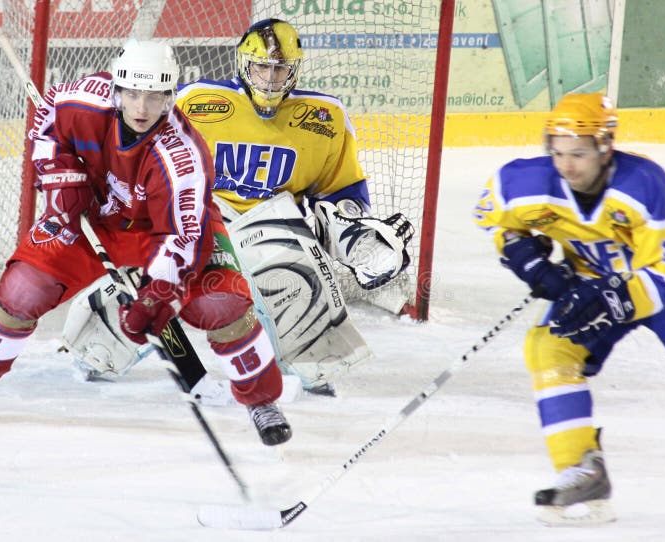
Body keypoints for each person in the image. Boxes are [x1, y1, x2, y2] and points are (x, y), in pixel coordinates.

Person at [0, 38, 293, 447]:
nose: (142, 108)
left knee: (220, 303)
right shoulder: (84, 98)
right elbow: (47, 115)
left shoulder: (183, 156)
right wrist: (57, 172)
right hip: (93, 216)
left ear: (169, 97)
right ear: (116, 90)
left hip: (169, 231)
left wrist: (155, 297)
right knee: (23, 288)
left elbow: (182, 237)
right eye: (133, 94)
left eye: (154, 97)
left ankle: (262, 401)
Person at [61, 18, 413, 396]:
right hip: (199, 216)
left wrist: (357, 234)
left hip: (271, 223)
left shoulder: (323, 117)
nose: (270, 79)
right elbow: (141, 154)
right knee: (151, 273)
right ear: (244, 64)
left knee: (293, 275)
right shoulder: (195, 100)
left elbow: (340, 194)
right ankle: (100, 343)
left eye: (280, 69)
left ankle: (314, 357)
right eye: (262, 67)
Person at [473, 92, 665, 525]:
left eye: (578, 153)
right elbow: (498, 222)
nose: (567, 165)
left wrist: (610, 298)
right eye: (558, 153)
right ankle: (583, 471)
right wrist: (530, 261)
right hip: (593, 280)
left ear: (605, 145)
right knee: (548, 348)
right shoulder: (523, 183)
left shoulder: (646, 185)